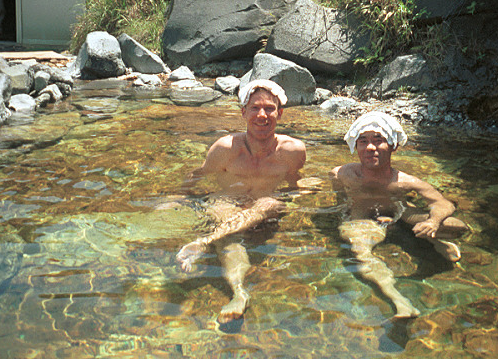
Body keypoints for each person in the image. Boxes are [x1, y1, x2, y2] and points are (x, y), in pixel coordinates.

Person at [158, 79, 306, 324]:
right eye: (255, 108)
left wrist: (301, 197)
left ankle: (205, 241)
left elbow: (294, 183)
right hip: (228, 203)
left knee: (269, 203)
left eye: (269, 108)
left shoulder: (293, 150)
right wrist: (181, 197)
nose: (262, 115)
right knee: (228, 230)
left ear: (279, 113)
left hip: (265, 207)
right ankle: (239, 292)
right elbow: (197, 175)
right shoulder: (225, 148)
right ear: (243, 112)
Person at [331, 111, 469, 318]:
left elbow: (443, 203)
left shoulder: (405, 181)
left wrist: (433, 222)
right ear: (355, 146)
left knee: (457, 227)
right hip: (362, 219)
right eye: (363, 141)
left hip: (401, 213)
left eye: (379, 141)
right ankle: (401, 302)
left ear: (393, 146)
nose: (370, 147)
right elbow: (340, 200)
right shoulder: (342, 174)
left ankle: (434, 240)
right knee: (361, 253)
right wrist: (347, 217)